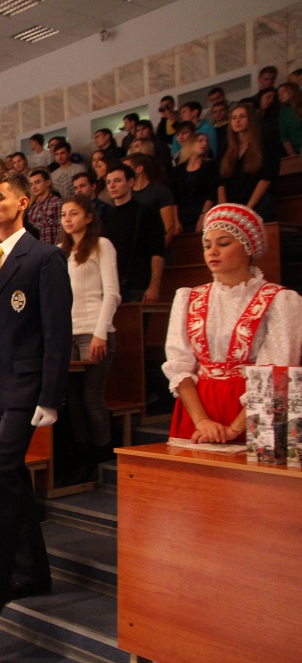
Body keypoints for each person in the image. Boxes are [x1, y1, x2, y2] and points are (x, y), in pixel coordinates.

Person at [0, 171, 73, 626]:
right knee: (11, 481)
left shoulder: (44, 257)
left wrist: (51, 395)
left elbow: (56, 331)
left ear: (23, 202)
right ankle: (36, 573)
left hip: (27, 389)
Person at [163, 204, 302, 443]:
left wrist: (235, 429)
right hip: (199, 407)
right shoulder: (189, 297)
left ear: (248, 247)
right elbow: (179, 363)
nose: (212, 251)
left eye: (224, 243)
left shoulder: (279, 299)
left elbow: (277, 372)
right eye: (207, 245)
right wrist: (202, 421)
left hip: (256, 408)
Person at [59, 196, 121, 484]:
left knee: (92, 398)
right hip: (67, 334)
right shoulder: (61, 252)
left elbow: (112, 293)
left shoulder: (101, 245)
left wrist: (100, 331)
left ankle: (103, 458)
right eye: (64, 214)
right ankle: (83, 460)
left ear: (88, 217)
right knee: (72, 402)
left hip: (95, 330)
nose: (68, 219)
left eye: (74, 213)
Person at [103, 163, 166, 303]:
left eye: (117, 181)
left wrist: (154, 286)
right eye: (108, 182)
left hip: (139, 286)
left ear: (130, 182)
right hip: (112, 287)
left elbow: (157, 251)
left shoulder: (146, 212)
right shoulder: (106, 217)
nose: (112, 186)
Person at [218, 102, 280, 221]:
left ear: (251, 119)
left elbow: (266, 178)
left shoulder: (263, 143)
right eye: (234, 118)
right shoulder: (226, 148)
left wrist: (247, 209)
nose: (237, 121)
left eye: (242, 116)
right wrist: (225, 211)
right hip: (232, 204)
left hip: (257, 202)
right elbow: (221, 182)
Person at [171, 133, 219, 234]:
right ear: (190, 144)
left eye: (206, 141)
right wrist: (175, 221)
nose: (204, 143)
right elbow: (174, 198)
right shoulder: (178, 170)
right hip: (182, 216)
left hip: (203, 212)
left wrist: (203, 216)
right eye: (200, 140)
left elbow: (212, 193)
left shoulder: (210, 166)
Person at [278, 82, 302, 156]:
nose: (280, 95)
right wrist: (291, 153)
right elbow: (284, 136)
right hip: (296, 151)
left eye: (284, 91)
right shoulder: (283, 112)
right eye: (279, 94)